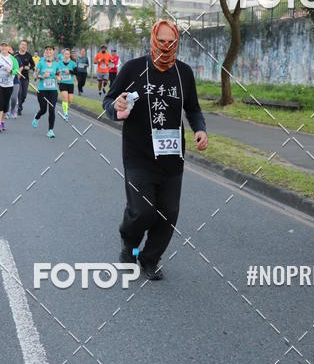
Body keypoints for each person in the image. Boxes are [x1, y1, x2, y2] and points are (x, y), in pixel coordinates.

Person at [103, 19, 208, 280]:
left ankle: (150, 258)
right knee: (142, 210)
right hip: (138, 155)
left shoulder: (184, 73)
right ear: (152, 40)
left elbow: (193, 108)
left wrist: (200, 129)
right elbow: (109, 100)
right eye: (161, 41)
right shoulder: (133, 69)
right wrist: (116, 108)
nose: (165, 46)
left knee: (169, 212)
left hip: (172, 157)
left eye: (170, 42)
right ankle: (129, 244)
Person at [33, 46, 60, 138]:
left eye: (50, 50)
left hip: (53, 90)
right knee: (43, 109)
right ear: (45, 52)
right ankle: (37, 117)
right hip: (42, 90)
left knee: (52, 110)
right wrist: (42, 76)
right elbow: (35, 75)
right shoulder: (40, 63)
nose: (48, 51)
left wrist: (59, 78)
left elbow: (59, 74)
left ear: (53, 52)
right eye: (47, 50)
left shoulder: (56, 64)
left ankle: (50, 130)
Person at [0, 42, 19, 132]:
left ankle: (2, 121)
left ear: (8, 48)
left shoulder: (13, 59)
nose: (3, 47)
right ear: (0, 47)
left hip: (8, 84)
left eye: (5, 46)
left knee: (5, 104)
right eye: (2, 46)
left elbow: (17, 71)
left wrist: (11, 71)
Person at [13, 40, 34, 116]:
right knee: (19, 93)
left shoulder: (28, 55)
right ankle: (18, 108)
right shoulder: (15, 55)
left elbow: (33, 64)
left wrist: (29, 67)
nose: (24, 46)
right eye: (22, 44)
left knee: (24, 95)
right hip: (17, 77)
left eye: (25, 45)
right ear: (19, 46)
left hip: (25, 77)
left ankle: (20, 104)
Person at [58, 48, 77, 120]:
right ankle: (65, 114)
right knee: (65, 99)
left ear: (70, 55)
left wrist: (70, 72)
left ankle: (65, 107)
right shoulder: (59, 63)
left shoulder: (73, 63)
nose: (67, 55)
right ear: (63, 55)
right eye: (65, 54)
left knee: (70, 101)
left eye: (68, 54)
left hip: (70, 83)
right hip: (62, 83)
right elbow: (56, 72)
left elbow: (76, 72)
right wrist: (58, 77)